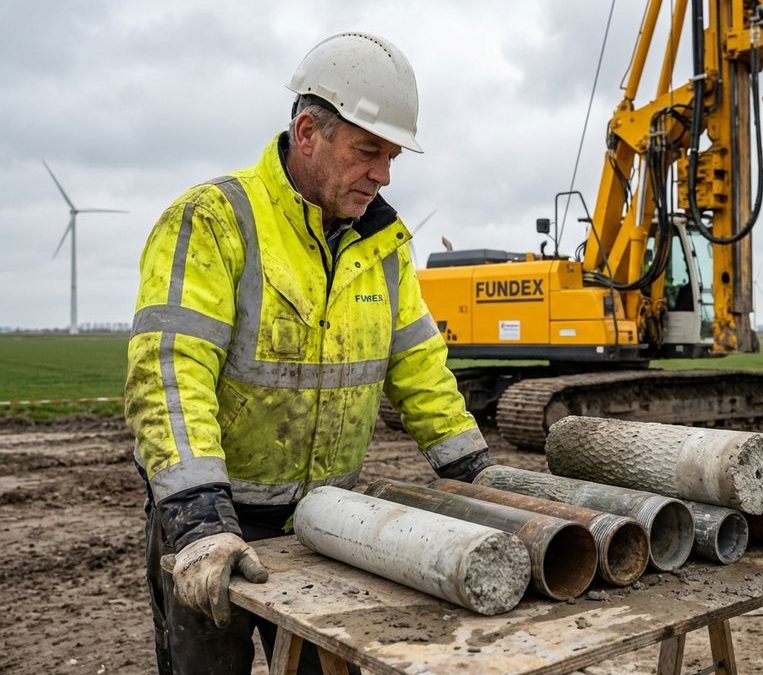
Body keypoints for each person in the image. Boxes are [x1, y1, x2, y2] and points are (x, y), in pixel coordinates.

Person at [124, 32, 492, 674]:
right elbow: (169, 374)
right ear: (307, 132)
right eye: (367, 151)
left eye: (392, 157)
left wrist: (477, 477)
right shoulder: (215, 220)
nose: (382, 174)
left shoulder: (383, 245)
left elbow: (421, 371)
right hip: (218, 526)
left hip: (329, 528)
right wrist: (197, 520)